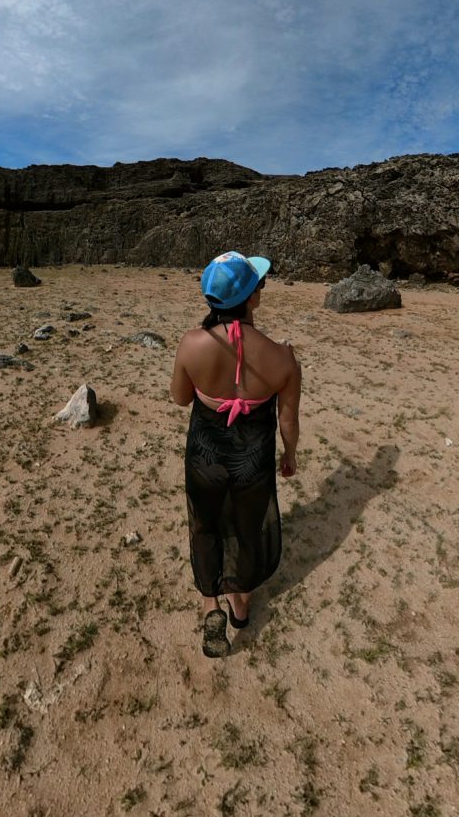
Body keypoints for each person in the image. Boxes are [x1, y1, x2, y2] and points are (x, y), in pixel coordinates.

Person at [170, 250, 301, 657]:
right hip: (253, 460)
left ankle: (212, 604)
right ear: (253, 297)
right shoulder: (283, 358)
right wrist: (290, 455)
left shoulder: (192, 344)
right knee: (247, 529)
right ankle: (239, 604)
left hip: (204, 456)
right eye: (259, 283)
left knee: (205, 525)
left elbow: (179, 399)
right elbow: (288, 422)